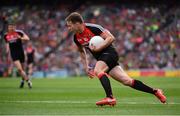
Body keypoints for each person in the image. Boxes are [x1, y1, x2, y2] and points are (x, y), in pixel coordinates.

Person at [65, 12, 167, 106]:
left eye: (70, 25)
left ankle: (110, 97)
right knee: (127, 81)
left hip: (110, 53)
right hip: (102, 58)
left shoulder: (93, 28)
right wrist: (86, 66)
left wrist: (99, 48)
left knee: (98, 70)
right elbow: (82, 51)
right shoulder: (76, 37)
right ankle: (156, 92)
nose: (68, 28)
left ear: (78, 23)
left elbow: (111, 38)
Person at [4, 23, 32, 89]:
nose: (11, 28)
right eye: (10, 27)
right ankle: (28, 81)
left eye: (13, 27)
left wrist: (21, 38)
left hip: (21, 52)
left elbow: (27, 38)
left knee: (23, 69)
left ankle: (22, 81)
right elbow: (7, 43)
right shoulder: (5, 35)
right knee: (19, 69)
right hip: (14, 54)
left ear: (15, 27)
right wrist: (7, 51)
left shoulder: (19, 32)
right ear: (8, 28)